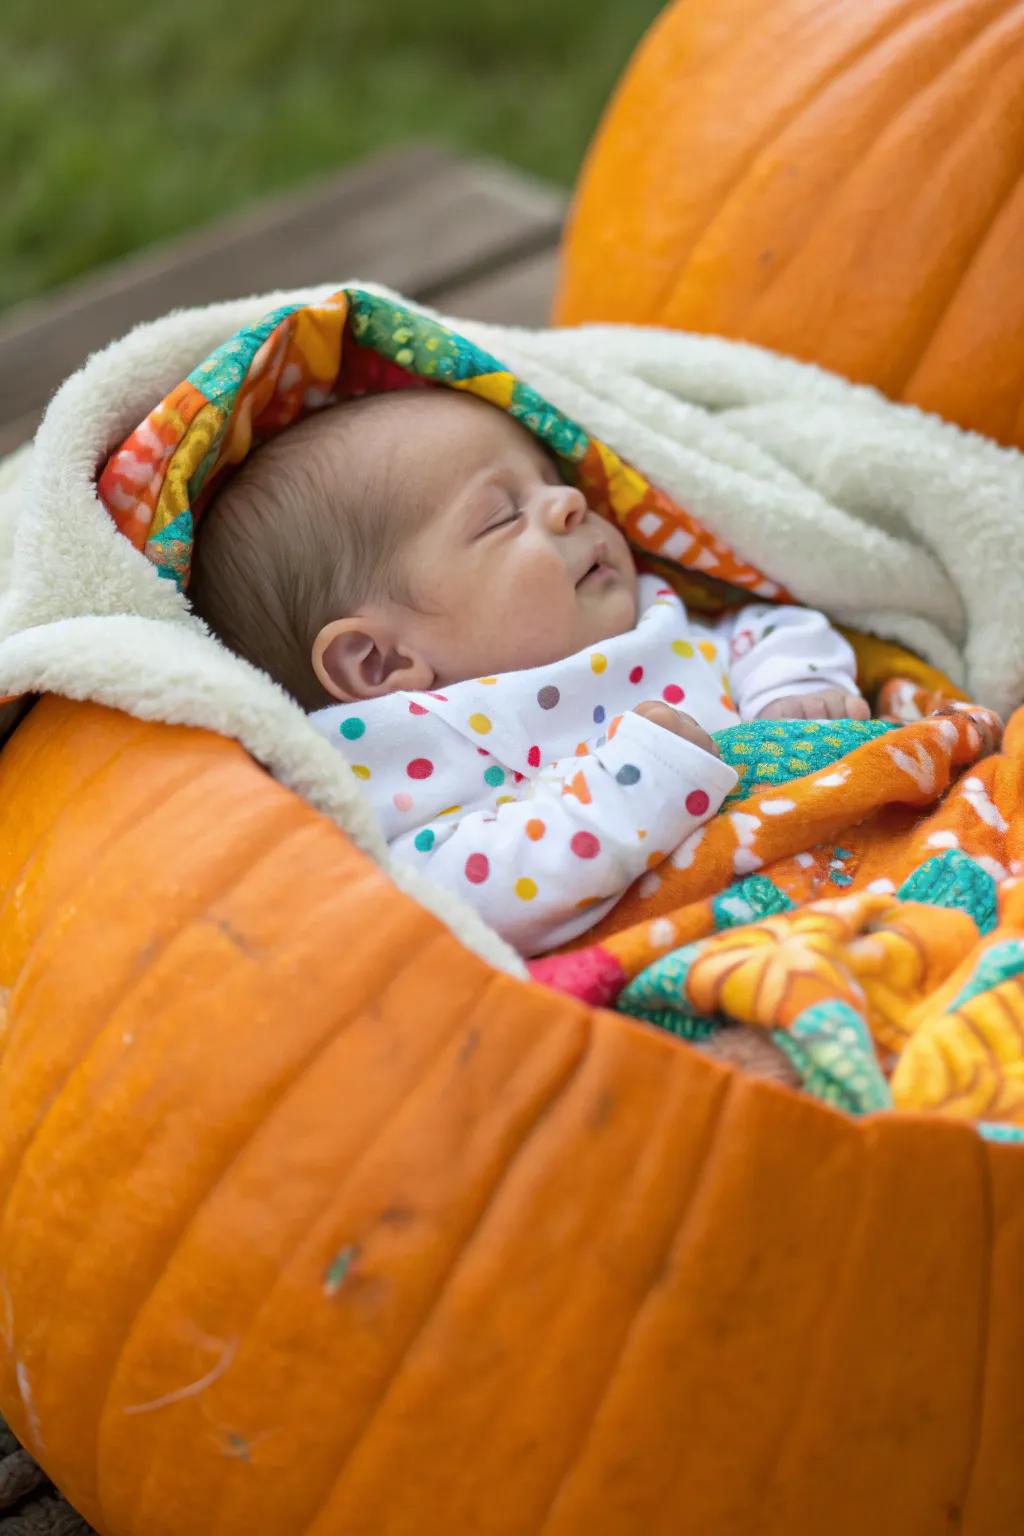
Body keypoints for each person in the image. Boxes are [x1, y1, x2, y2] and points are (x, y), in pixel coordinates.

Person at [190, 388, 867, 958]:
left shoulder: (653, 616)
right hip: (717, 939)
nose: (570, 500)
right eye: (502, 515)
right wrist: (627, 792)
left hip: (852, 856)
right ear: (382, 661)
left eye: (550, 477)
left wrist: (794, 687)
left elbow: (763, 628)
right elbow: (453, 895)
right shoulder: (404, 751)